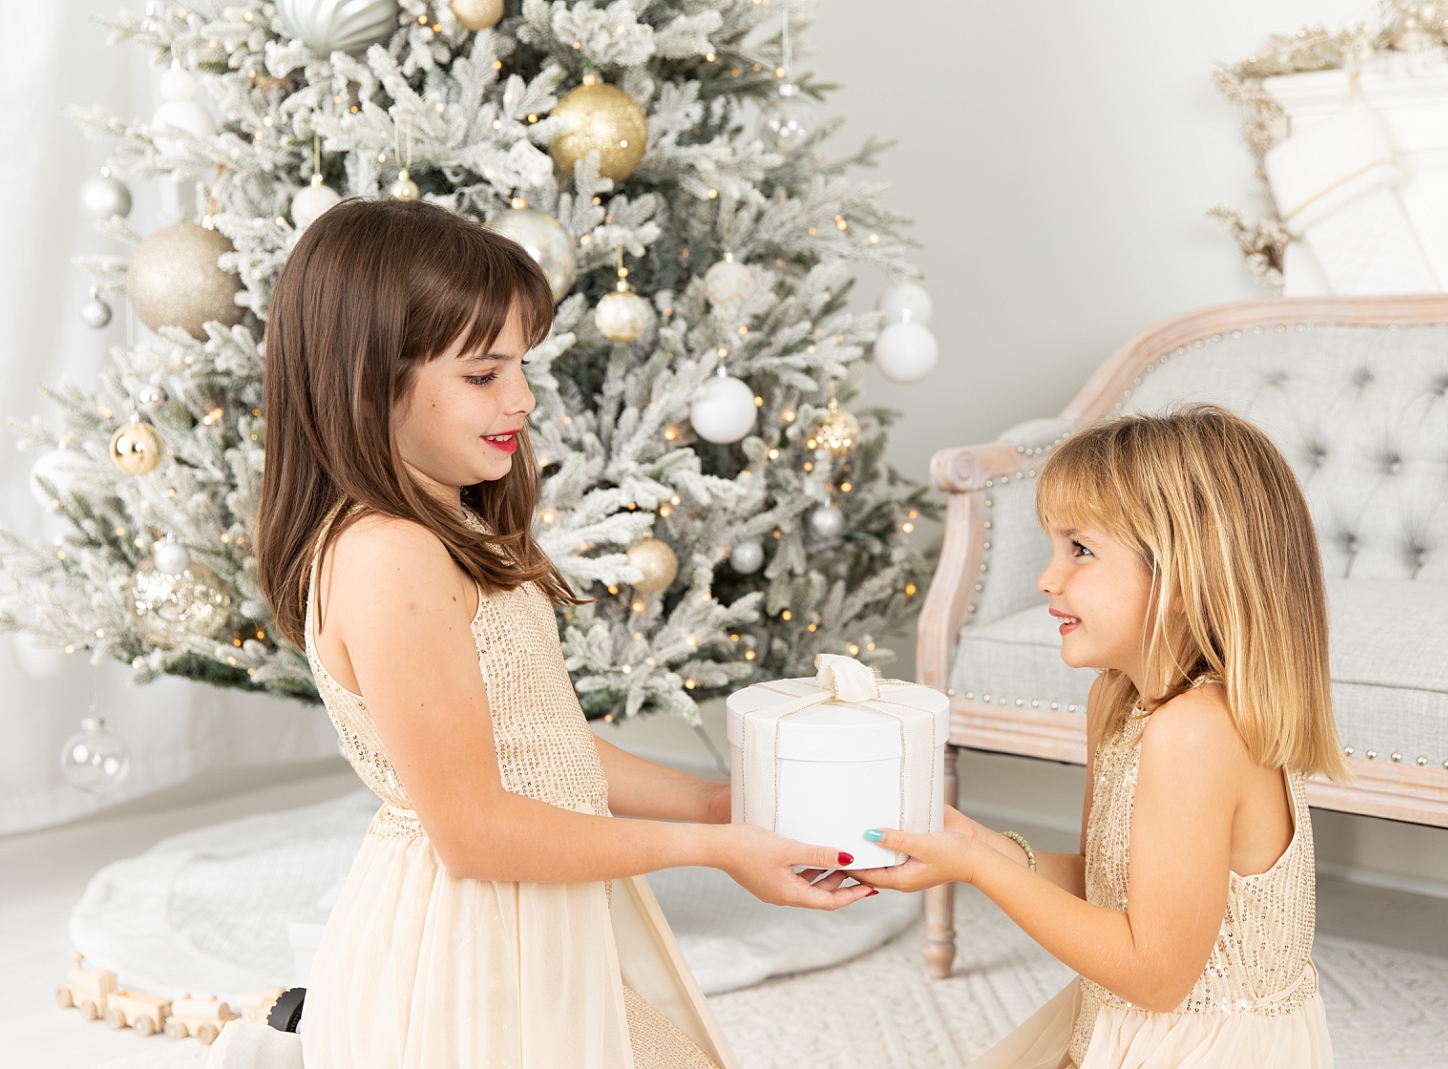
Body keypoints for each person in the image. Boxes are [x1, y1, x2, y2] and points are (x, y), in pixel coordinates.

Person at [256, 198, 871, 1069]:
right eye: (483, 374)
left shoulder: (440, 530)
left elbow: (533, 744)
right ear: (368, 383)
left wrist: (709, 802)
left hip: (525, 918)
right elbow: (473, 831)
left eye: (522, 365)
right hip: (471, 939)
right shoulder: (389, 557)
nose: (523, 396)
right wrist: (712, 848)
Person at [856, 406, 1344, 1068]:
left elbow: (1156, 975)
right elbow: (1106, 886)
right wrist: (978, 844)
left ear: (1182, 575)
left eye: (1080, 549)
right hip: (1122, 1023)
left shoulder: (1198, 731)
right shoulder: (1118, 698)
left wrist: (976, 870)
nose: (1047, 577)